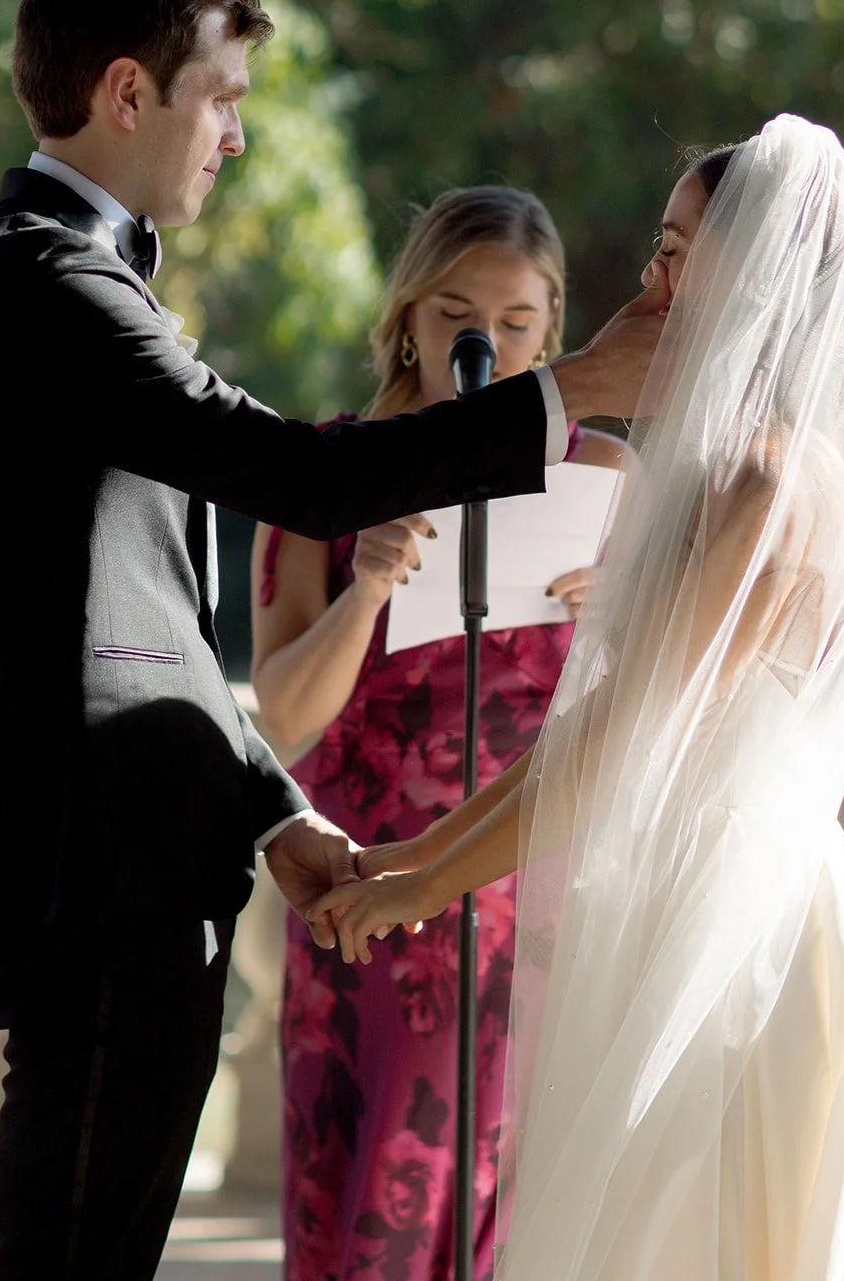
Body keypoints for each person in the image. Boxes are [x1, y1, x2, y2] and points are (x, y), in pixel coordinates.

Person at [0, 0, 666, 1281]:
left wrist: (270, 805)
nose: (237, 138)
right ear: (131, 93)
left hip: (134, 861)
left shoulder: (76, 279)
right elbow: (305, 476)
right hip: (88, 872)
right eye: (224, 98)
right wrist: (577, 390)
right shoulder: (50, 286)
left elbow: (139, 620)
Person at [314, 116, 844, 1280]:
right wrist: (409, 856)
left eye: (673, 250)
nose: (650, 276)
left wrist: (418, 881)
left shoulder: (765, 478)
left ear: (749, 274)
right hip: (690, 889)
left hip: (738, 931)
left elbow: (611, 743)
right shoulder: (735, 462)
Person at [250, 186, 625, 1281]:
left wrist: (630, 616)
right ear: (408, 317)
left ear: (553, 326)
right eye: (458, 314)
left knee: (538, 1210)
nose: (488, 344)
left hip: (541, 890)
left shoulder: (606, 476)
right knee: (373, 1201)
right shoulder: (324, 472)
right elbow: (280, 713)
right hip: (370, 885)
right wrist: (363, 587)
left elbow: (658, 706)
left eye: (517, 322)